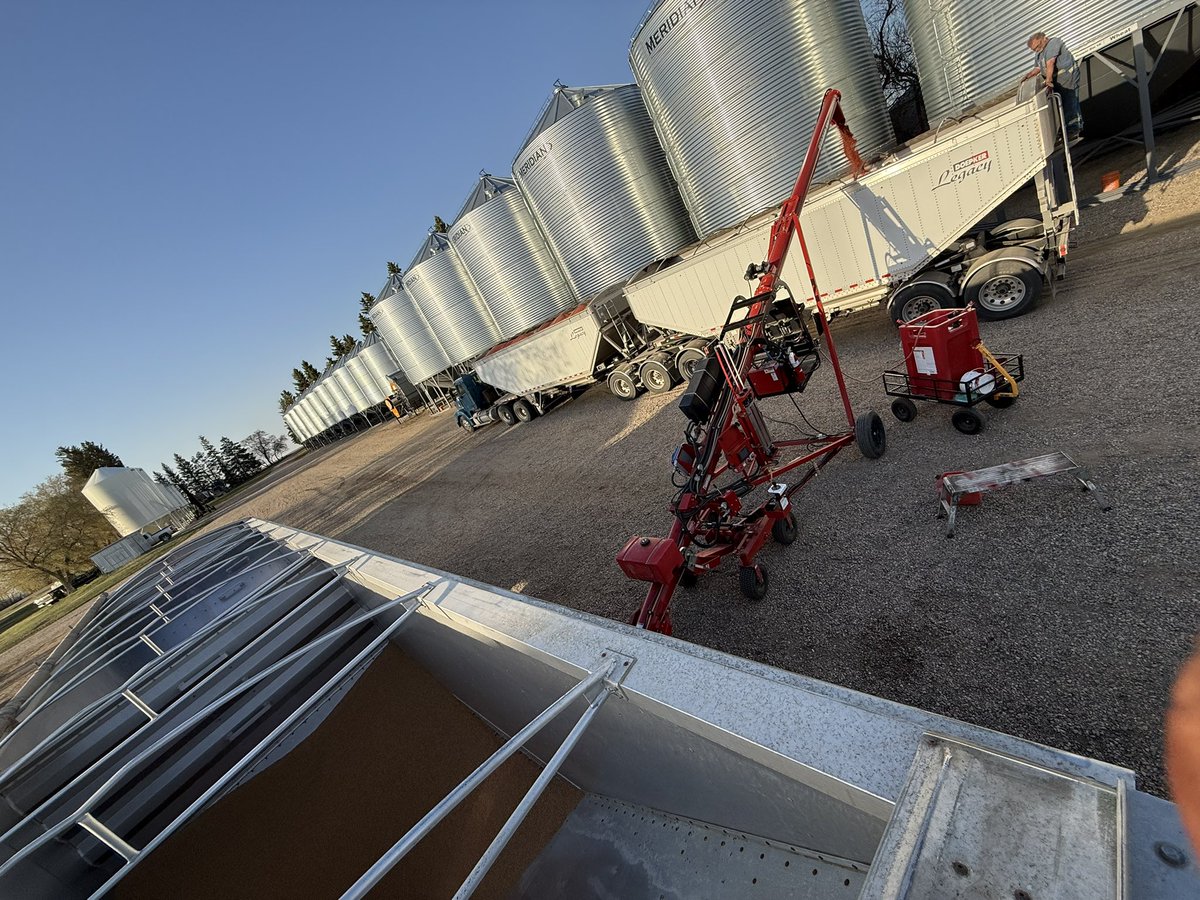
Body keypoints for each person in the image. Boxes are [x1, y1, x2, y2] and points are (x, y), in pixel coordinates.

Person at [1024, 32, 1083, 141]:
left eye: (1037, 47)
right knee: (1062, 105)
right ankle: (1066, 128)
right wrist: (1029, 75)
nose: (1036, 50)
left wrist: (1048, 80)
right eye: (1034, 49)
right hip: (1058, 80)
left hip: (1067, 77)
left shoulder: (1053, 43)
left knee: (1070, 101)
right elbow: (1038, 67)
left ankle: (1074, 129)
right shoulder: (1039, 53)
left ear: (1044, 39)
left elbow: (1050, 63)